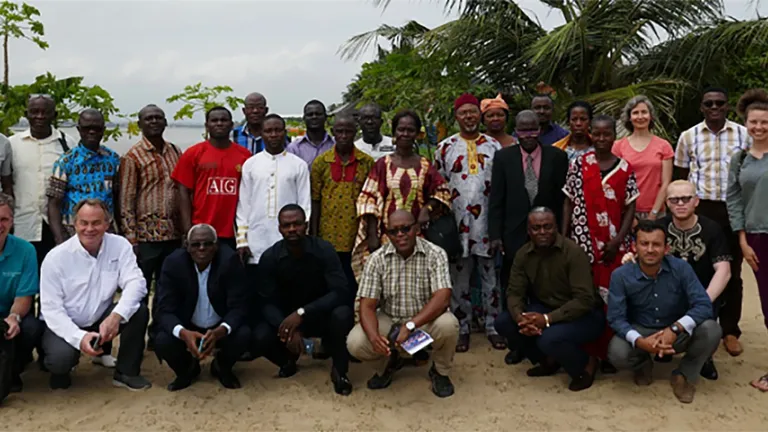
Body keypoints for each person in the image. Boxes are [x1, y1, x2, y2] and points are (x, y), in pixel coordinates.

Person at [40, 199, 150, 391]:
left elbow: (136, 283)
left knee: (138, 311)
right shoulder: (56, 258)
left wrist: (116, 316)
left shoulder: (120, 246)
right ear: (75, 224)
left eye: (96, 223)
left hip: (101, 317)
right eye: (84, 222)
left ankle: (126, 372)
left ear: (107, 224)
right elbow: (52, 311)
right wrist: (80, 337)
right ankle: (61, 370)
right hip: (66, 322)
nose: (89, 229)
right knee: (60, 359)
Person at [347, 210, 459, 398]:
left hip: (425, 320)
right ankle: (386, 365)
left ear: (416, 229)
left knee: (449, 324)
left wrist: (411, 324)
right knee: (356, 342)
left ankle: (440, 372)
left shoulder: (435, 254)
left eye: (406, 229)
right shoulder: (377, 259)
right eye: (394, 231)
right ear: (387, 234)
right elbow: (367, 305)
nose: (400, 235)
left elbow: (443, 298)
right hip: (390, 318)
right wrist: (375, 338)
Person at [608, 220, 719, 403]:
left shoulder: (681, 268)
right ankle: (643, 364)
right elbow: (615, 318)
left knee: (711, 329)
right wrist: (640, 342)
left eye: (656, 244)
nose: (650, 249)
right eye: (644, 244)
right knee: (617, 352)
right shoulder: (620, 275)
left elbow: (704, 305)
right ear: (635, 247)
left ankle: (684, 374)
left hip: (677, 332)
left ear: (666, 248)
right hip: (642, 329)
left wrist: (675, 329)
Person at [494, 208, 604, 391]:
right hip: (546, 308)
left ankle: (586, 364)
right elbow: (514, 293)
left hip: (584, 315)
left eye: (547, 227)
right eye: (536, 228)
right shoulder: (523, 254)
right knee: (504, 322)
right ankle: (548, 360)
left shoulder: (573, 252)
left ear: (556, 228)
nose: (542, 232)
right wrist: (521, 318)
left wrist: (546, 320)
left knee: (548, 338)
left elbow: (585, 300)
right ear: (529, 231)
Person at [676, 87, 750, 358]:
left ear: (728, 106)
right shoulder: (688, 137)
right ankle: (698, 325)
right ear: (702, 108)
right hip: (703, 208)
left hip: (734, 208)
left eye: (720, 102)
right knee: (699, 269)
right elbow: (682, 175)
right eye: (709, 103)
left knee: (732, 270)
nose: (715, 107)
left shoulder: (744, 134)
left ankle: (730, 330)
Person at [561, 115, 638, 370]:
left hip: (615, 246)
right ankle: (589, 353)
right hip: (583, 243)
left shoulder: (625, 168)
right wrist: (564, 237)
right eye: (598, 134)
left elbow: (630, 207)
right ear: (591, 134)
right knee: (587, 297)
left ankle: (610, 351)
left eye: (607, 134)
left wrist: (617, 240)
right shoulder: (579, 164)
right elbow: (568, 201)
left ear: (614, 135)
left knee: (612, 298)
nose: (602, 138)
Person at [255, 205, 354, 395]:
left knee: (343, 314)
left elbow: (340, 291)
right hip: (288, 320)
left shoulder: (324, 249)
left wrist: (303, 313)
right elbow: (266, 302)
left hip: (320, 316)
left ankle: (340, 372)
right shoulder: (270, 257)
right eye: (286, 225)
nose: (292, 229)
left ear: (306, 225)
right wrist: (286, 328)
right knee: (259, 335)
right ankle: (287, 362)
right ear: (279, 229)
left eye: (297, 224)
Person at [435, 93, 503, 352]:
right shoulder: (445, 147)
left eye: (473, 112)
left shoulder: (494, 146)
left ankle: (492, 326)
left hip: (487, 225)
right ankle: (461, 328)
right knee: (459, 280)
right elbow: (439, 188)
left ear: (480, 115)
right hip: (458, 225)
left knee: (491, 279)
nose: (469, 117)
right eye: (463, 113)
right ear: (456, 116)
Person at [350, 110, 451, 278]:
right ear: (394, 132)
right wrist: (372, 235)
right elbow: (368, 199)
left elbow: (443, 192)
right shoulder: (382, 165)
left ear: (417, 134)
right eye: (401, 129)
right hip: (387, 237)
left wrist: (428, 208)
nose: (405, 134)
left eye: (410, 130)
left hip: (418, 237)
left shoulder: (425, 165)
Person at [154, 224, 251, 391]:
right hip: (187, 325)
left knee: (243, 334)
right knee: (163, 339)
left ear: (216, 245)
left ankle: (222, 367)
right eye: (196, 244)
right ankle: (187, 370)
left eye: (207, 244)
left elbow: (239, 307)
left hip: (219, 324)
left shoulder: (230, 261)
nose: (202, 249)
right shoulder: (173, 263)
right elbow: (164, 310)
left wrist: (221, 330)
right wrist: (183, 333)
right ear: (187, 245)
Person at [118, 105, 182, 349]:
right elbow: (125, 200)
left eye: (158, 117)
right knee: (140, 290)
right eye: (149, 118)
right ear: (140, 123)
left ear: (165, 122)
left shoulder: (175, 151)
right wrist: (131, 239)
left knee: (167, 290)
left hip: (173, 234)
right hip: (144, 238)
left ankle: (160, 336)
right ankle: (135, 340)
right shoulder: (132, 157)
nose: (154, 121)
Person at [489, 110, 569, 293]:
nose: (528, 135)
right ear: (516, 131)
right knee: (514, 284)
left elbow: (562, 198)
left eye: (533, 130)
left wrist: (563, 233)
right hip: (513, 233)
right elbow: (496, 198)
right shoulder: (503, 158)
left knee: (547, 281)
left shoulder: (557, 157)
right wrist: (495, 235)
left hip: (547, 233)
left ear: (540, 130)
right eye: (523, 131)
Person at [726, 88, 768, 391]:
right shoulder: (739, 160)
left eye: (765, 122)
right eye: (754, 122)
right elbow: (734, 201)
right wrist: (742, 239)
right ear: (746, 123)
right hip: (756, 238)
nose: (759, 127)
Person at [9, 95, 78, 268]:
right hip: (22, 224)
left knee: (54, 278)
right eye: (34, 112)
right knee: (23, 278)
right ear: (26, 114)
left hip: (56, 226)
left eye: (45, 112)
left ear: (54, 115)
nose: (40, 116)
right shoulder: (12, 145)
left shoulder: (67, 144)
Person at [311, 114, 374, 299]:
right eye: (340, 132)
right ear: (333, 133)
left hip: (356, 235)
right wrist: (314, 236)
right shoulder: (321, 163)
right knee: (330, 283)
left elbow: (371, 200)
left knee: (355, 282)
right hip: (327, 235)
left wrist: (371, 234)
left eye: (348, 131)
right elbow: (315, 200)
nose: (344, 136)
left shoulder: (366, 162)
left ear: (355, 133)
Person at [236, 114, 311, 267]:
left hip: (290, 240)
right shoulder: (251, 164)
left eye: (278, 130)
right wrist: (242, 241)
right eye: (268, 131)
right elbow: (244, 206)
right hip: (256, 239)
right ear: (262, 134)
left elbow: (305, 204)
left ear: (285, 133)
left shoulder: (298, 165)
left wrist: (302, 239)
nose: (273, 135)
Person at [172, 107, 252, 250]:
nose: (219, 124)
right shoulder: (193, 153)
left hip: (232, 232)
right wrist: (188, 230)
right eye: (214, 120)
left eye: (223, 120)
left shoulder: (245, 156)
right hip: (201, 232)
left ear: (232, 125)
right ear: (207, 125)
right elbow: (182, 192)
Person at [47, 109, 120, 244]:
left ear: (103, 130)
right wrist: (59, 238)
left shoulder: (113, 159)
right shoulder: (66, 162)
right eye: (87, 128)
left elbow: (117, 197)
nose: (91, 132)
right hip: (73, 233)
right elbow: (53, 203)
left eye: (96, 128)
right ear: (79, 130)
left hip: (106, 232)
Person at [0, 193, 42, 393]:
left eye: (3, 219)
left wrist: (13, 317)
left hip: (9, 315)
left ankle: (13, 370)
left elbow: (24, 297)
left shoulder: (26, 250)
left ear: (12, 221)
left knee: (31, 327)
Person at [612, 96, 674, 220]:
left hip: (657, 211)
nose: (640, 117)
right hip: (626, 211)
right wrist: (628, 215)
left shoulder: (663, 146)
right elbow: (616, 183)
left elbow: (666, 182)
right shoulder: (618, 146)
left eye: (644, 112)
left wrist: (654, 213)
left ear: (650, 116)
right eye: (635, 113)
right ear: (629, 117)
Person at [287, 100, 335, 166]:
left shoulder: (336, 144)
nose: (314, 117)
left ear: (325, 117)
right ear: (304, 118)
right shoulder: (294, 148)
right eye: (310, 114)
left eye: (318, 114)